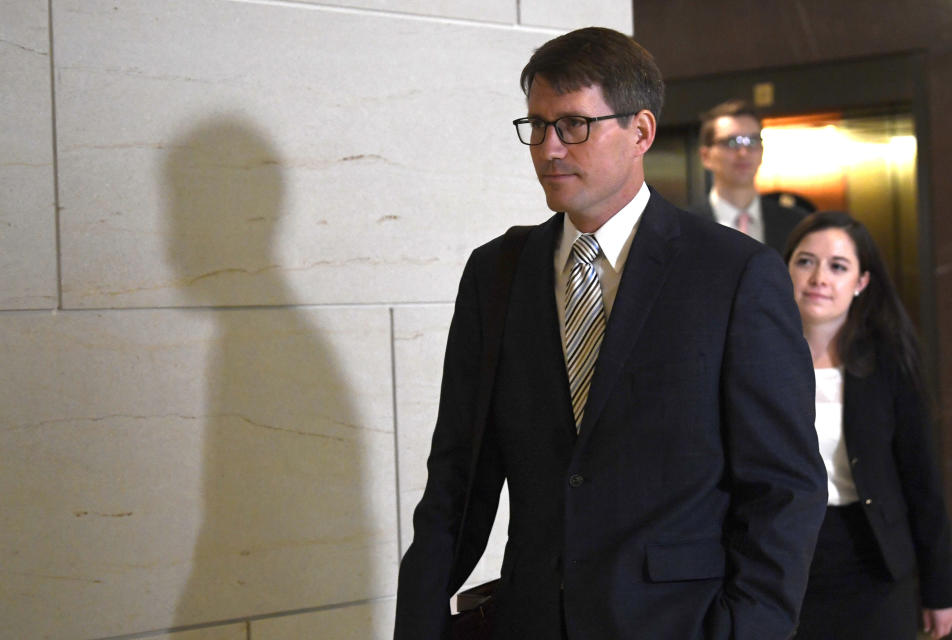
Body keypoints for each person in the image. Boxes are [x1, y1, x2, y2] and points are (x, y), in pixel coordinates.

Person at [395, 27, 827, 640]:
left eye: (574, 125)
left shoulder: (733, 274)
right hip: (532, 619)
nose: (549, 149)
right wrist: (417, 622)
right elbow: (456, 481)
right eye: (537, 126)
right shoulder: (497, 273)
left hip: (679, 623)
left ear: (641, 132)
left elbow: (784, 486)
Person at [784, 211, 952, 639]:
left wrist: (939, 588)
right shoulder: (755, 360)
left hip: (872, 564)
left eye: (838, 266)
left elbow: (922, 482)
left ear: (860, 283)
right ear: (784, 268)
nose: (819, 277)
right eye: (805, 261)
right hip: (780, 562)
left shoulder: (887, 364)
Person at [692, 99, 808, 253]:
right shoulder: (684, 227)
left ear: (762, 151)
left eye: (752, 141)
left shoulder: (796, 224)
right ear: (705, 156)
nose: (743, 152)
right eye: (732, 142)